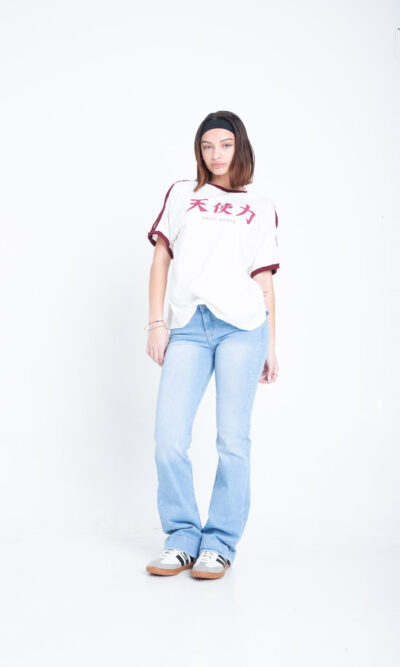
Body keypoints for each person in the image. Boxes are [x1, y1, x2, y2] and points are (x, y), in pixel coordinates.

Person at [145, 111, 280, 579]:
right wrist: (156, 323)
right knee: (168, 438)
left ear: (239, 147)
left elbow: (264, 281)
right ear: (198, 151)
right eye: (207, 146)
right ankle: (182, 537)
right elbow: (161, 257)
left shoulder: (260, 206)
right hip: (189, 326)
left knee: (232, 439)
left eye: (225, 145)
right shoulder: (183, 193)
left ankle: (219, 543)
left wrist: (271, 345)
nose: (216, 154)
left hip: (242, 328)